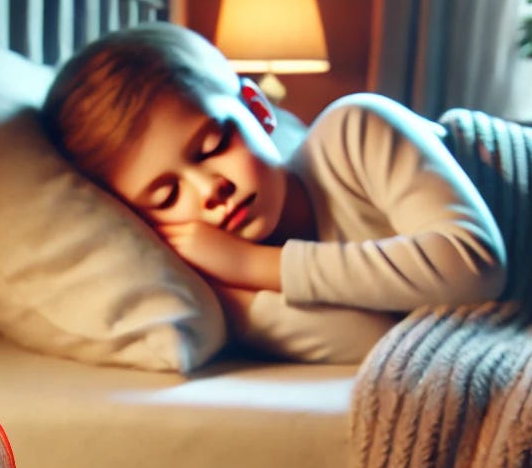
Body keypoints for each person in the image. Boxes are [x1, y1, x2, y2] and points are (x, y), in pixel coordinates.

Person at [40, 23, 507, 363]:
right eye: (165, 196)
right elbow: (380, 342)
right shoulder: (233, 283)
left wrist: (252, 264)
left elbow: (475, 265)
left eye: (213, 145)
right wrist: (235, 292)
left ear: (258, 110)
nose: (210, 190)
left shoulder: (357, 130)